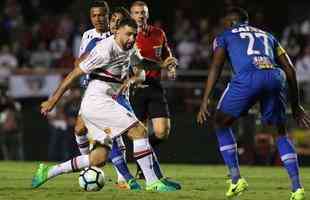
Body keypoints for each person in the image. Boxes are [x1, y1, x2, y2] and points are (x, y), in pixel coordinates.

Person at [31, 18, 176, 192]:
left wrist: (162, 64)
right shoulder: (104, 50)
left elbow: (141, 62)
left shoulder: (129, 47)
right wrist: (53, 101)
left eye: (134, 35)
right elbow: (74, 74)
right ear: (117, 33)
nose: (132, 38)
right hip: (98, 100)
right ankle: (153, 182)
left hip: (103, 101)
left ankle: (48, 171)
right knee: (139, 131)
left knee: (98, 158)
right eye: (128, 34)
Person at [197, 7, 310, 200]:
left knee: (220, 122)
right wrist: (296, 105)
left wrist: (205, 99)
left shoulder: (225, 35)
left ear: (232, 22)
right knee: (280, 132)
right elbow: (290, 70)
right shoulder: (268, 35)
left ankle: (235, 179)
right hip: (275, 76)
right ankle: (297, 188)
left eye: (225, 21)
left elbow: (216, 66)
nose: (223, 24)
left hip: (248, 78)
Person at [73, 2, 134, 189]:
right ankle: (90, 165)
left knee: (114, 133)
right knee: (79, 129)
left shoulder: (116, 34)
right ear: (90, 17)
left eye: (102, 15)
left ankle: (122, 177)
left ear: (108, 16)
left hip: (112, 90)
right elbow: (81, 60)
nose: (98, 19)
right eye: (94, 15)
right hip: (91, 88)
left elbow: (129, 62)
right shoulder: (87, 35)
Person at [129, 1, 180, 189]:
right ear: (131, 15)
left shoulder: (159, 33)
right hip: (134, 88)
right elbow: (137, 62)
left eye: (143, 12)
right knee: (137, 135)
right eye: (136, 13)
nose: (140, 16)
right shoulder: (127, 35)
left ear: (147, 15)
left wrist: (171, 66)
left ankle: (144, 162)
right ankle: (145, 172)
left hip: (154, 86)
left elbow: (167, 55)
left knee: (162, 132)